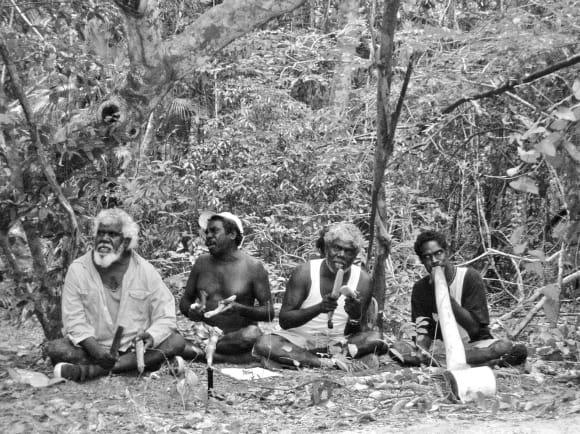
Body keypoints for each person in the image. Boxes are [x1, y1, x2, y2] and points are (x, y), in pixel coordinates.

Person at [44, 209, 185, 382]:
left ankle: (94, 371)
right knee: (56, 349)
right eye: (100, 233)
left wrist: (151, 336)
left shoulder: (145, 271)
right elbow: (73, 320)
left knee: (176, 342)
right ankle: (137, 366)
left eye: (112, 234)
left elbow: (166, 316)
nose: (104, 239)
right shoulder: (78, 269)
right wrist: (95, 349)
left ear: (126, 241)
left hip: (134, 348)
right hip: (95, 348)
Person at [254, 222, 388, 370]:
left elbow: (354, 332)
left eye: (348, 251)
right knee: (265, 343)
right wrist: (319, 308)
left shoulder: (363, 280)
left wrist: (355, 316)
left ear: (356, 254)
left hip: (337, 343)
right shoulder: (304, 273)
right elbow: (285, 321)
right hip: (298, 339)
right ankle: (325, 362)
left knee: (374, 337)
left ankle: (302, 359)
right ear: (326, 248)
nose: (341, 255)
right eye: (337, 248)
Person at [404, 230, 527, 366]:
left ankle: (446, 362)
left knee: (503, 346)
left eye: (438, 253)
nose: (434, 261)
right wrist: (422, 350)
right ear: (422, 261)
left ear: (447, 252)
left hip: (474, 345)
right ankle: (489, 363)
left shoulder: (470, 277)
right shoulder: (420, 289)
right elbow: (422, 331)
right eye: (427, 257)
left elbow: (474, 328)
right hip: (441, 348)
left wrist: (443, 293)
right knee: (398, 349)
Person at [179, 211, 274, 364]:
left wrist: (240, 309)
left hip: (234, 338)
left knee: (252, 334)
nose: (208, 236)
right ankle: (224, 356)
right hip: (203, 333)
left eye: (214, 231)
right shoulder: (201, 263)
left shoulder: (253, 267)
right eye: (207, 232)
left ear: (232, 234)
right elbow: (185, 302)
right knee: (172, 340)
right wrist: (191, 310)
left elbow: (269, 313)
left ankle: (207, 354)